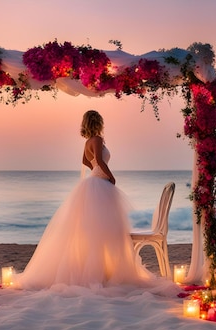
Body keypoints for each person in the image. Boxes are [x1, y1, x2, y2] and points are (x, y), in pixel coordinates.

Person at [13, 110, 152, 289]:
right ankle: (104, 272)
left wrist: (96, 167)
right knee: (105, 229)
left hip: (93, 182)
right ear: (98, 122)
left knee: (94, 231)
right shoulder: (98, 140)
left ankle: (99, 270)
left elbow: (86, 161)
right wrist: (111, 176)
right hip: (101, 182)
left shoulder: (88, 142)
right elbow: (100, 162)